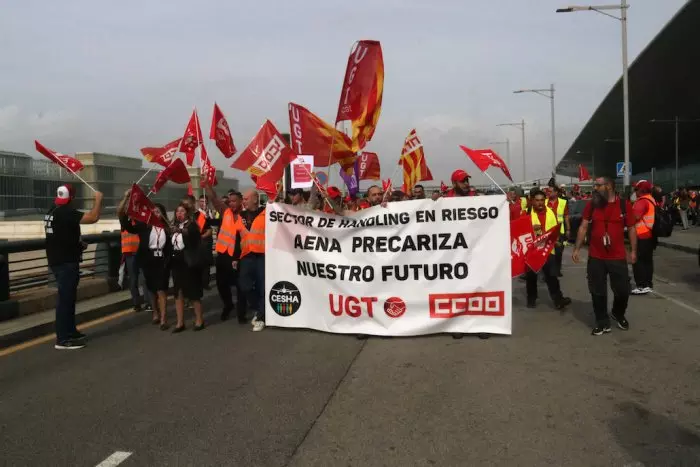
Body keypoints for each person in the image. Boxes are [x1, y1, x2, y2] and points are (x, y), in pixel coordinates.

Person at [573, 177, 637, 336]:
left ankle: (618, 313)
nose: (595, 188)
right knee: (597, 291)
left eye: (598, 185)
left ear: (608, 186)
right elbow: (583, 226)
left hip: (617, 257)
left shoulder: (624, 205)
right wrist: (577, 248)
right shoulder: (592, 205)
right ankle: (602, 322)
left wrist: (634, 251)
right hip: (596, 256)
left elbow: (631, 229)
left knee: (623, 290)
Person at [44, 185, 103, 350]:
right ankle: (63, 339)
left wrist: (77, 244)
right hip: (66, 262)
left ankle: (70, 331)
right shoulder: (67, 212)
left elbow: (61, 235)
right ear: (72, 198)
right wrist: (97, 200)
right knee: (65, 301)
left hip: (57, 259)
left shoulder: (52, 211)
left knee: (68, 299)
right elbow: (93, 217)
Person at [119, 192, 172, 330]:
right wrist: (127, 200)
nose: (156, 213)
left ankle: (164, 318)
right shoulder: (144, 226)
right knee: (152, 289)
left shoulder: (167, 229)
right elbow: (125, 222)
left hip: (162, 262)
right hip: (148, 261)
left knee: (162, 290)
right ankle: (155, 312)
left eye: (158, 211)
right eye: (153, 211)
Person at [206, 185, 248, 323]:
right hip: (223, 255)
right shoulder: (226, 212)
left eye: (234, 201)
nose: (231, 203)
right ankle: (228, 304)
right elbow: (214, 198)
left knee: (240, 285)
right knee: (221, 284)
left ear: (241, 201)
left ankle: (241, 312)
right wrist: (207, 185)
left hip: (239, 256)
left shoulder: (246, 215)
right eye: (229, 201)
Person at [526, 190, 572, 310]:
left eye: (542, 200)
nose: (540, 203)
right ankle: (531, 299)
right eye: (537, 200)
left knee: (552, 276)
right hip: (532, 251)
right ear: (532, 201)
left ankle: (558, 300)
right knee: (531, 276)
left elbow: (554, 229)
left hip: (548, 250)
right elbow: (521, 231)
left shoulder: (551, 212)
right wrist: (530, 227)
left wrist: (556, 240)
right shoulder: (527, 214)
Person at [170, 203, 205, 332]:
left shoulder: (192, 226)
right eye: (177, 211)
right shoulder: (174, 226)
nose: (179, 214)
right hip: (177, 261)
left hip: (189, 262)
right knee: (178, 292)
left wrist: (179, 231)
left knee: (193, 292)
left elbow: (191, 234)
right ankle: (180, 322)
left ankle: (199, 320)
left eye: (182, 211)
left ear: (187, 213)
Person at [239, 189, 267, 332]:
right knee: (245, 286)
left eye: (246, 198)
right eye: (243, 198)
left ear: (255, 199)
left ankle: (261, 317)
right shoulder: (240, 215)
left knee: (262, 287)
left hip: (262, 256)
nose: (243, 201)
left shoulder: (267, 213)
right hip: (246, 255)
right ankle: (259, 309)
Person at [121, 219, 152, 313]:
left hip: (140, 252)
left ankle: (149, 303)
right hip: (129, 253)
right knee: (133, 279)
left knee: (144, 279)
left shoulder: (141, 221)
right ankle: (136, 303)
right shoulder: (124, 221)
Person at [631, 180, 656, 295]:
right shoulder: (651, 199)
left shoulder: (642, 201)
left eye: (636, 189)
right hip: (649, 234)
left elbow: (635, 216)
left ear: (641, 190)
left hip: (641, 234)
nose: (634, 192)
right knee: (647, 261)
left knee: (638, 261)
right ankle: (648, 284)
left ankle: (641, 285)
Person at [547, 186, 570, 277]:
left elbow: (566, 216)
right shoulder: (544, 202)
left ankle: (557, 269)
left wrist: (568, 229)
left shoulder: (563, 202)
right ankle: (549, 272)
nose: (548, 192)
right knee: (549, 252)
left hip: (560, 231)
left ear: (556, 192)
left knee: (559, 251)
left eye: (550, 191)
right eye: (548, 191)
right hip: (548, 230)